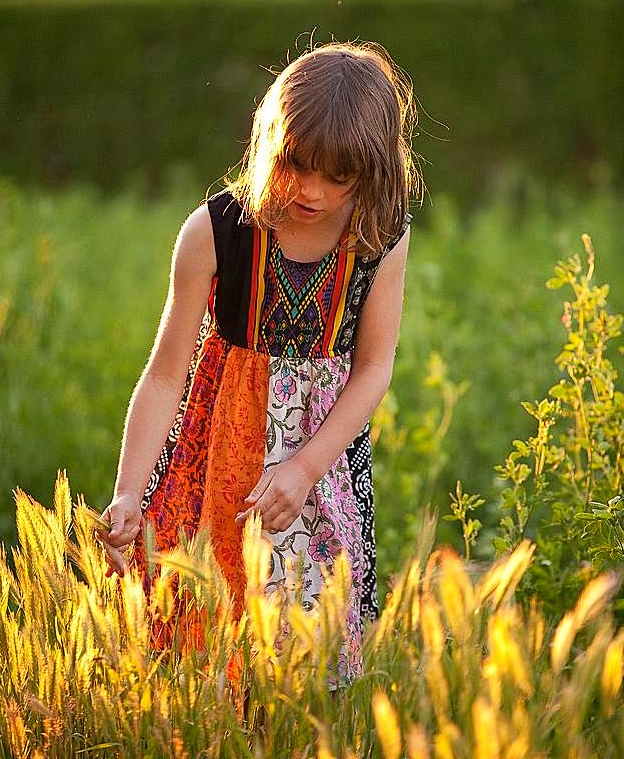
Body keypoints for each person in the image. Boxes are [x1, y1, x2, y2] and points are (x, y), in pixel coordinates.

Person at [95, 39, 424, 691]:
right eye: (298, 165)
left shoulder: (382, 235)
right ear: (272, 138)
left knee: (300, 659)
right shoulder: (215, 230)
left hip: (317, 465)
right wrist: (130, 489)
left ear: (374, 170)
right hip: (210, 462)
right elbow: (165, 374)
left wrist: (304, 467)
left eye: (339, 177)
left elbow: (373, 369)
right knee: (202, 647)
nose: (312, 190)